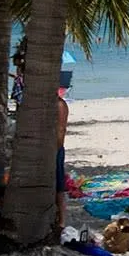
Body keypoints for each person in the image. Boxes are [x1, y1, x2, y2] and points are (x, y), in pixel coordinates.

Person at [56, 89, 70, 229]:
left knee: (59, 187)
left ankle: (61, 220)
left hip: (54, 149)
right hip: (44, 149)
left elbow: (61, 131)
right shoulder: (44, 105)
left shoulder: (59, 105)